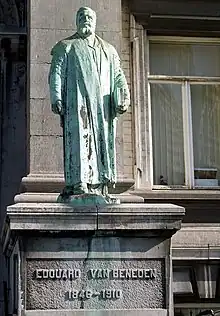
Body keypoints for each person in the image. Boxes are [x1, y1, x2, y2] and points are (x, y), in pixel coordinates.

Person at [49, 7, 130, 200]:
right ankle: (79, 183)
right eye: (81, 17)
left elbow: (118, 76)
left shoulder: (108, 50)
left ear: (95, 22)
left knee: (101, 142)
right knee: (78, 140)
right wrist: (57, 97)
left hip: (102, 106)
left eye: (89, 17)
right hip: (78, 104)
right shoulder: (66, 46)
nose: (86, 19)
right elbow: (56, 73)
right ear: (77, 21)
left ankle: (101, 185)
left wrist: (124, 96)